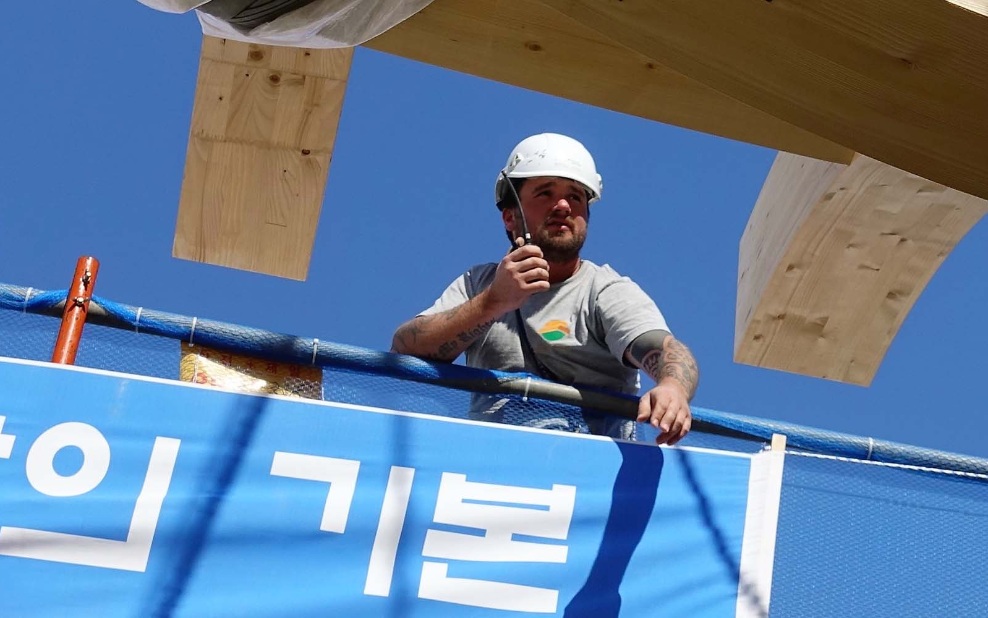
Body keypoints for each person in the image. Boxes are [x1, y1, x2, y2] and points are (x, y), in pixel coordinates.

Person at [391, 133, 698, 444]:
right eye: (545, 193)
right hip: (490, 464)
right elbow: (405, 346)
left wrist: (672, 386)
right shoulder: (480, 284)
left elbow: (663, 348)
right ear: (510, 217)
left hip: (586, 473)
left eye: (576, 197)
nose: (563, 205)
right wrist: (493, 302)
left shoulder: (603, 290)